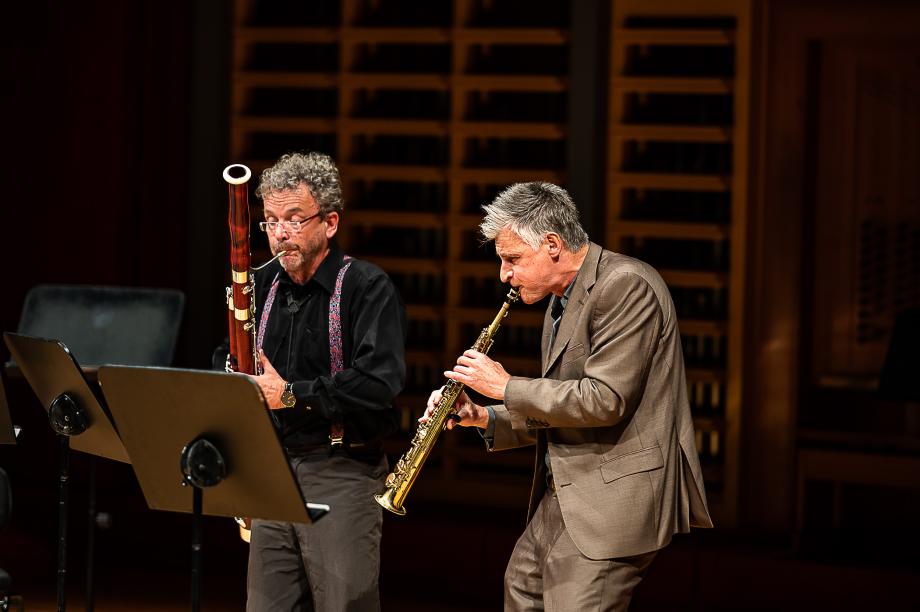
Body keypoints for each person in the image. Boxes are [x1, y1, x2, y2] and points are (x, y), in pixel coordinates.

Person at [424, 182, 712, 611]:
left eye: (513, 259)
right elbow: (560, 407)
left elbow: (605, 399)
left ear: (553, 245)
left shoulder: (626, 286)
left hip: (611, 498)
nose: (504, 274)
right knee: (521, 590)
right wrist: (485, 416)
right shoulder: (559, 302)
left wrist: (505, 386)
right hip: (563, 493)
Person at [214, 151, 406, 612]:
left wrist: (292, 396)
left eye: (295, 219)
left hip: (341, 469)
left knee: (344, 606)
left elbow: (379, 383)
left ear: (330, 222)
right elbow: (228, 356)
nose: (281, 233)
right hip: (271, 472)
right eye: (272, 221)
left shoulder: (366, 286)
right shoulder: (260, 288)